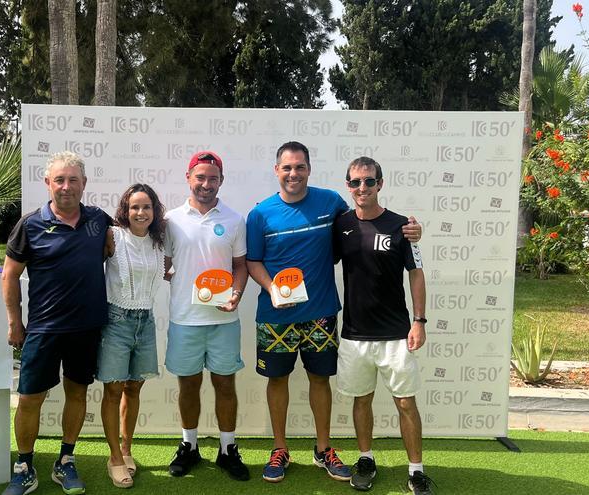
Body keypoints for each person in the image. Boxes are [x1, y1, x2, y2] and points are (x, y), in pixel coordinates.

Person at [245, 142, 421, 484]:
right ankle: (280, 448)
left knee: (319, 380)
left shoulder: (331, 204)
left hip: (321, 315)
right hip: (274, 316)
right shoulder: (259, 214)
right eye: (286, 168)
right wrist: (271, 289)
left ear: (309, 169)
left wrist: (410, 232)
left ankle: (323, 448)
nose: (293, 174)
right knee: (277, 380)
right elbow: (252, 261)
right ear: (276, 171)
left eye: (299, 167)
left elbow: (368, 222)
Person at [1, 151, 111, 495]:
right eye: (59, 180)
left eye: (73, 180)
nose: (66, 187)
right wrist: (14, 323)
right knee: (30, 398)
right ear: (48, 183)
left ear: (84, 184)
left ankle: (65, 461)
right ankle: (24, 466)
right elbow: (9, 276)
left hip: (87, 328)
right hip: (44, 330)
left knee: (77, 393)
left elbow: (131, 240)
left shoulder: (99, 220)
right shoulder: (30, 224)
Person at [332, 156, 434, 495]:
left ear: (380, 184)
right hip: (354, 335)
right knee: (361, 400)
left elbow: (416, 274)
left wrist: (419, 321)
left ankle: (416, 471)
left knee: (406, 403)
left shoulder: (402, 225)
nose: (363, 188)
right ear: (348, 186)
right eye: (356, 182)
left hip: (395, 335)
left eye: (369, 181)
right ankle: (365, 459)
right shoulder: (341, 224)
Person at [163, 150, 250, 481]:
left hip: (224, 320)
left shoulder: (234, 219)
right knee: (188, 386)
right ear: (189, 178)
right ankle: (189, 446)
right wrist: (181, 276)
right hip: (185, 319)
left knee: (225, 384)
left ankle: (228, 449)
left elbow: (241, 265)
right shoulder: (170, 220)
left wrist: (236, 295)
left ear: (221, 181)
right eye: (200, 177)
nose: (206, 184)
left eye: (212, 178)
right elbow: (165, 262)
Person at [97, 183, 167, 488]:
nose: (141, 212)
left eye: (147, 207)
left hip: (146, 321)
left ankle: (127, 450)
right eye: (135, 207)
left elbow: (169, 270)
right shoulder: (113, 236)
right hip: (116, 321)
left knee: (134, 389)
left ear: (155, 211)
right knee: (113, 391)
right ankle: (114, 457)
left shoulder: (158, 242)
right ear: (125, 210)